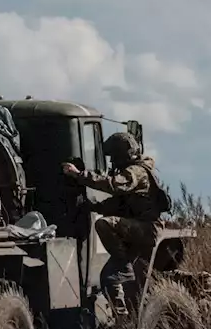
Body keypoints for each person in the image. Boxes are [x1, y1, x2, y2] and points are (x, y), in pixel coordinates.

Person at [61, 131, 170, 319]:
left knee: (104, 225)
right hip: (136, 230)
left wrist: (79, 175)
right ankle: (124, 321)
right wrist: (92, 206)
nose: (112, 163)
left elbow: (114, 185)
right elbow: (118, 204)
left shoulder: (137, 172)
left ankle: (124, 265)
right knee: (108, 278)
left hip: (147, 229)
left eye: (114, 157)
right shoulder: (135, 171)